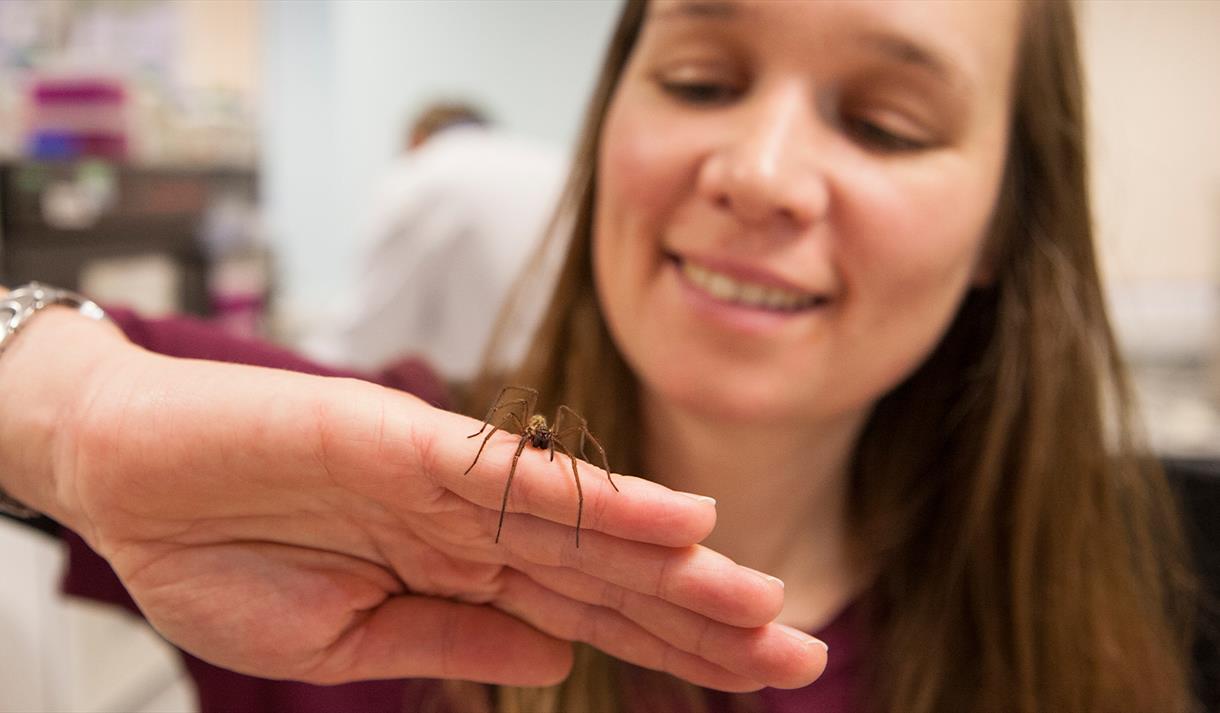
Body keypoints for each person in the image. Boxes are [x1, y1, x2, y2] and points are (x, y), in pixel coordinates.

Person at [0, 2, 1213, 713]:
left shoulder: (1087, 624)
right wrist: (71, 413)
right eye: (699, 80)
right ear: (604, 124)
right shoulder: (361, 496)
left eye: (882, 123)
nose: (757, 172)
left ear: (1006, 217)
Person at [301, 102, 568, 384]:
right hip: (573, 384)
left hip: (481, 394)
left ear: (416, 140)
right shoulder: (554, 163)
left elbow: (370, 331)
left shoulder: (424, 173)